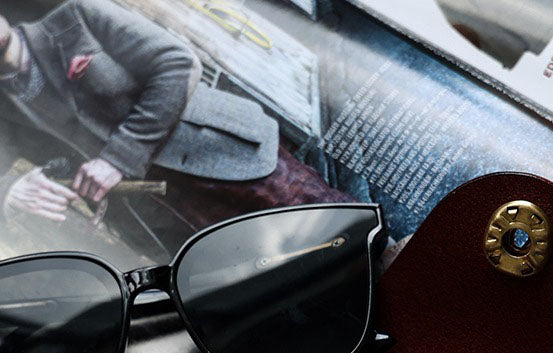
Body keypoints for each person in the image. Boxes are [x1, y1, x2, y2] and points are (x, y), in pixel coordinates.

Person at [0, 0, 349, 252]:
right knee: (279, 286)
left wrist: (116, 159)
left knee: (342, 234)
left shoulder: (75, 16)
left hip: (223, 159)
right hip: (160, 217)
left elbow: (177, 64)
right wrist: (9, 190)